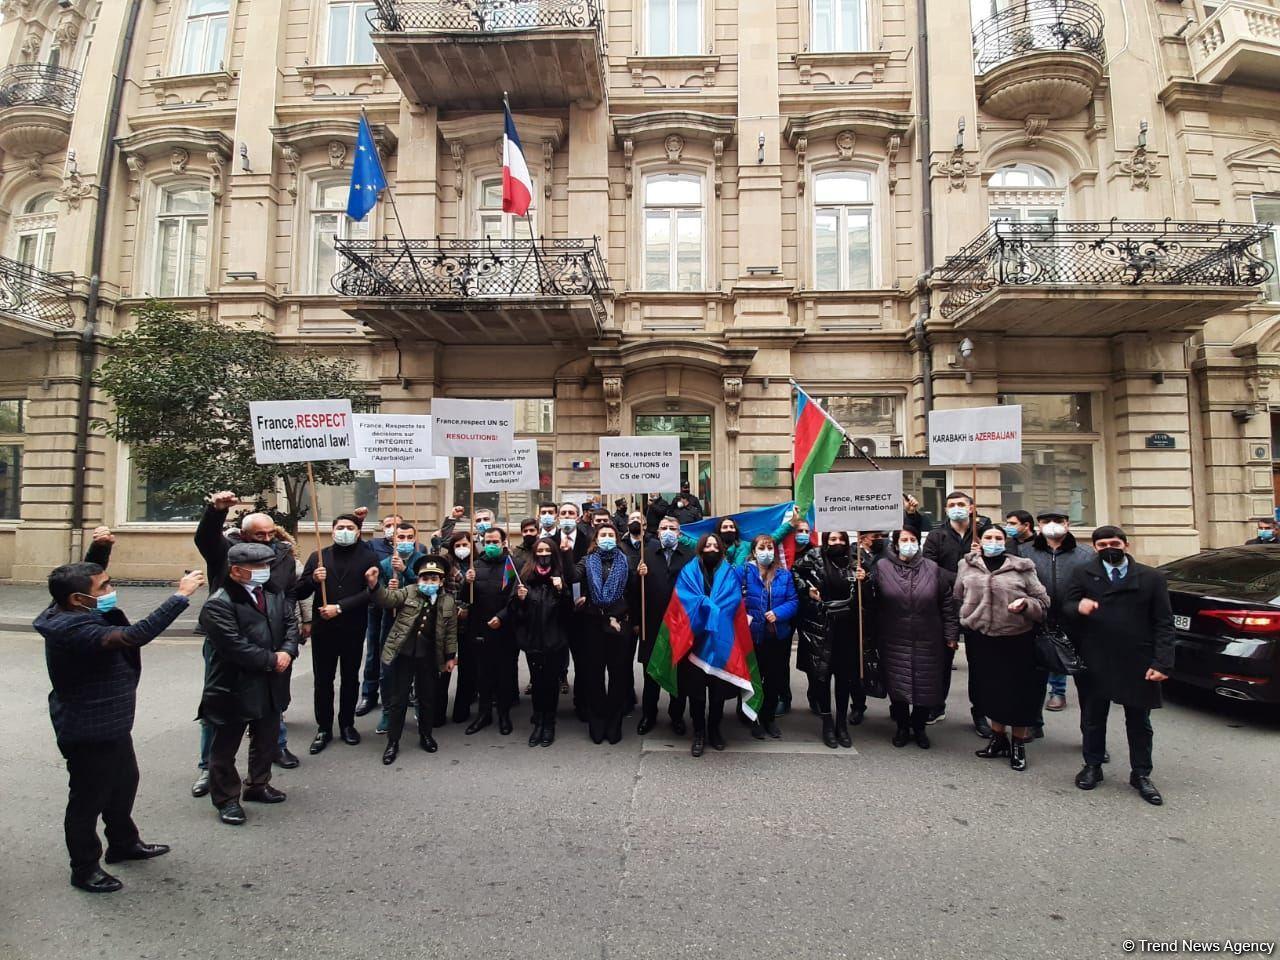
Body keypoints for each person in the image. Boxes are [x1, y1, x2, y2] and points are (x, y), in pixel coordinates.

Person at [36, 563, 203, 892]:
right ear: (77, 599)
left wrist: (100, 549)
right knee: (88, 799)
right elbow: (133, 636)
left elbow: (77, 577)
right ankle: (84, 868)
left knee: (124, 783)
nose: (111, 591)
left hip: (112, 723)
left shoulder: (73, 606)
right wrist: (180, 596)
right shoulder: (69, 627)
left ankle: (123, 843)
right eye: (104, 587)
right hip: (89, 728)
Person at [193, 492, 302, 797]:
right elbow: (233, 645)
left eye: (271, 536)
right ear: (236, 569)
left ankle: (258, 784)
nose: (264, 567)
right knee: (225, 739)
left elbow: (288, 620)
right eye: (257, 565)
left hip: (271, 675)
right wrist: (215, 511)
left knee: (266, 734)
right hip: (234, 680)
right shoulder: (220, 601)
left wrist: (287, 651)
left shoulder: (271, 589)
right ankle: (224, 795)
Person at [1065, 526, 1174, 806]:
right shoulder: (1083, 573)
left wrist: (1163, 662)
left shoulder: (1151, 577)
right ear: (1094, 548)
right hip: (1096, 656)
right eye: (1102, 545)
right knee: (1093, 716)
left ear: (1126, 544)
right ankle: (1092, 765)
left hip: (1137, 659)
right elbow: (1066, 605)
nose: (1109, 548)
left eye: (1114, 543)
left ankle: (1141, 773)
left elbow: (1163, 622)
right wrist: (1078, 607)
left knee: (1139, 721)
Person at [954, 526, 1050, 772]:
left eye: (998, 538)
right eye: (988, 538)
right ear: (980, 541)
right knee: (990, 691)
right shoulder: (966, 565)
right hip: (982, 638)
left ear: (1005, 541)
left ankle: (1018, 743)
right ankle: (998, 739)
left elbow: (1043, 601)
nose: (993, 541)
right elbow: (958, 595)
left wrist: (1026, 604)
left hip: (1016, 638)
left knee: (1018, 694)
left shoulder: (1022, 566)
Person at [297, 513, 378, 753]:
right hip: (324, 630)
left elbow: (370, 593)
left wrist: (340, 607)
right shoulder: (318, 557)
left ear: (358, 532)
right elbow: (299, 592)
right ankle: (323, 728)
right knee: (323, 680)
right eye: (340, 526)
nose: (345, 530)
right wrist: (313, 579)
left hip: (353, 627)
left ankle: (347, 724)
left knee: (350, 678)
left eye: (350, 527)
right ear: (332, 531)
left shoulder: (368, 556)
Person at [368, 555, 457, 764]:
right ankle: (393, 741)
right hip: (404, 654)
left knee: (426, 698)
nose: (429, 583)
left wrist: (450, 657)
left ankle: (426, 735)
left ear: (441, 581)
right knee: (398, 700)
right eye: (425, 579)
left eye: (434, 579)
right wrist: (374, 585)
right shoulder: (408, 592)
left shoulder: (448, 601)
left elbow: (451, 632)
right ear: (418, 580)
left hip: (429, 656)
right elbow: (387, 598)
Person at [876, 529, 958, 748]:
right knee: (898, 685)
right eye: (904, 540)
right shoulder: (882, 567)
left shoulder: (933, 569)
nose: (909, 543)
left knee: (926, 686)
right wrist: (862, 581)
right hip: (894, 638)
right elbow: (872, 601)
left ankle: (919, 727)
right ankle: (902, 727)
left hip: (929, 638)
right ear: (895, 544)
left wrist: (951, 635)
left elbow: (947, 605)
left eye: (913, 539)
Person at [922, 490, 993, 735]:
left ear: (972, 508)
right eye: (951, 504)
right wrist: (964, 577)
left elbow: (1000, 566)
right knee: (941, 660)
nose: (956, 508)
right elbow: (929, 568)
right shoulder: (936, 536)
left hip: (980, 607)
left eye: (961, 504)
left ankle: (980, 712)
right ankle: (936, 705)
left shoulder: (985, 535)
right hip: (946, 606)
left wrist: (982, 556)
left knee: (981, 663)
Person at [794, 530, 870, 749]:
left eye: (841, 539)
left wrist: (864, 580)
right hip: (822, 627)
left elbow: (871, 588)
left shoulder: (857, 559)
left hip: (848, 628)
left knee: (845, 679)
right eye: (832, 539)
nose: (837, 543)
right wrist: (807, 590)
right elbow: (795, 573)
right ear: (826, 541)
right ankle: (827, 723)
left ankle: (841, 724)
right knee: (822, 677)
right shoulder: (814, 557)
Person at [672, 533, 744, 756]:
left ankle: (714, 728)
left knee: (717, 691)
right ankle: (699, 732)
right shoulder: (688, 571)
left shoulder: (728, 571)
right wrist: (704, 604)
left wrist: (715, 608)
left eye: (715, 545)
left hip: (719, 640)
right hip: (694, 641)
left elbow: (733, 600)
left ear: (721, 549)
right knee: (695, 692)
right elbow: (682, 598)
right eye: (707, 545)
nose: (711, 548)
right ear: (701, 548)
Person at [570, 522, 640, 744]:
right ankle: (597, 720)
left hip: (620, 624)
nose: (607, 537)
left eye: (611, 534)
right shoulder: (587, 560)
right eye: (603, 535)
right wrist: (564, 554)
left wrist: (641, 576)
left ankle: (614, 720)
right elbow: (573, 576)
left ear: (617, 538)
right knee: (594, 675)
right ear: (596, 539)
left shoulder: (627, 561)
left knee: (619, 675)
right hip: (592, 624)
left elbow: (634, 595)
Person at [1025, 509, 1094, 717]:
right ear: (1039, 525)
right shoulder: (1025, 551)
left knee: (1086, 681)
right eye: (1047, 521)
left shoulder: (1086, 554)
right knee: (1033, 676)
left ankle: (1091, 739)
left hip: (1074, 620)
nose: (1052, 524)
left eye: (1058, 520)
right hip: (1037, 618)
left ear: (1067, 524)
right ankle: (1032, 723)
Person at [635, 515, 695, 736]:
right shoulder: (646, 555)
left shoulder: (690, 556)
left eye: (672, 528)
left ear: (679, 533)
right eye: (664, 528)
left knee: (678, 676)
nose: (668, 531)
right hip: (651, 626)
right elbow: (634, 592)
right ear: (657, 532)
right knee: (651, 675)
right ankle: (648, 715)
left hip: (680, 626)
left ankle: (676, 716)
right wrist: (637, 574)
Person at [511, 538, 572, 746]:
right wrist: (520, 599)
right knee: (537, 683)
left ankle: (549, 723)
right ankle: (538, 721)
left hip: (555, 640)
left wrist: (561, 591)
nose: (544, 554)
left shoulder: (560, 576)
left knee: (551, 683)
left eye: (547, 551)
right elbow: (516, 613)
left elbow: (569, 613)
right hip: (533, 641)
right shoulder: (525, 578)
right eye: (540, 551)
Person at [371, 523, 429, 735]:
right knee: (388, 671)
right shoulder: (385, 564)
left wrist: (407, 572)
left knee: (421, 669)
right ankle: (388, 712)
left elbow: (428, 589)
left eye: (409, 537)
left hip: (418, 623)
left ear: (415, 538)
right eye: (401, 537)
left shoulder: (422, 562)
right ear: (393, 540)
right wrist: (386, 590)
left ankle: (422, 709)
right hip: (392, 624)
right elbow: (376, 598)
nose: (405, 541)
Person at [462, 525, 517, 736]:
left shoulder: (513, 565)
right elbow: (466, 599)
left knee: (504, 674)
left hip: (504, 628)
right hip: (480, 627)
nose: (491, 545)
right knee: (482, 674)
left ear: (504, 542)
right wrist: (467, 583)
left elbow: (516, 598)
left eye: (495, 541)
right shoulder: (475, 565)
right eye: (488, 542)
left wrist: (501, 617)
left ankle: (504, 714)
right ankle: (483, 714)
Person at [744, 534, 799, 739]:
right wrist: (745, 615)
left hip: (778, 636)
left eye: (770, 547)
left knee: (774, 680)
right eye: (762, 547)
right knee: (753, 680)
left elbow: (793, 601)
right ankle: (753, 718)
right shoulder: (743, 572)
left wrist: (779, 613)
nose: (766, 551)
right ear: (754, 551)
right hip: (752, 636)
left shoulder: (784, 575)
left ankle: (769, 718)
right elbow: (734, 597)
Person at [356, 512, 404, 719]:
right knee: (374, 650)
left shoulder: (416, 547)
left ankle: (402, 691)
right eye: (388, 524)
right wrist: (358, 522)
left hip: (402, 608)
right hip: (376, 607)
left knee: (401, 652)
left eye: (397, 525)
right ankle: (369, 693)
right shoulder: (372, 545)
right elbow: (357, 551)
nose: (392, 529)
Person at [443, 531, 477, 724]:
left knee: (468, 667)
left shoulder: (476, 565)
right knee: (444, 665)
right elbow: (441, 589)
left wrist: (467, 607)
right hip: (448, 619)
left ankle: (462, 709)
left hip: (470, 621)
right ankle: (439, 708)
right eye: (458, 545)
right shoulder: (445, 564)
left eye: (466, 545)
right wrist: (455, 607)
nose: (462, 549)